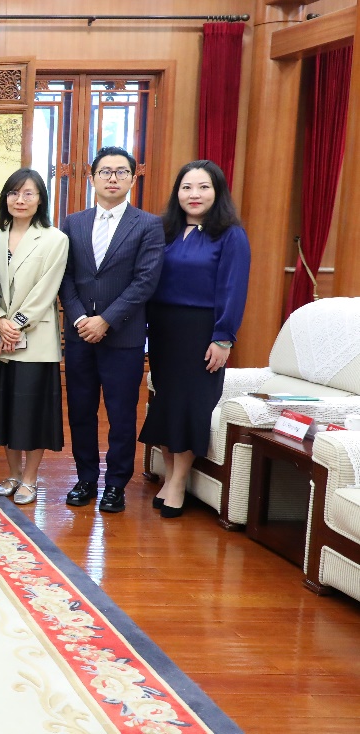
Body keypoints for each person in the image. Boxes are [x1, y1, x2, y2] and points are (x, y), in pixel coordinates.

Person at [139, 160, 249, 518]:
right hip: (163, 329)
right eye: (187, 187)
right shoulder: (164, 230)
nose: (194, 194)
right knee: (168, 404)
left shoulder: (230, 235)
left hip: (203, 331)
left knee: (191, 406)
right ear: (177, 193)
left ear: (217, 192)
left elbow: (233, 288)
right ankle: (171, 475)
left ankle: (178, 482)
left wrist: (223, 337)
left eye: (203, 187)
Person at [59, 146, 165, 514]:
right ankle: (86, 478)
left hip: (124, 336)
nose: (113, 178)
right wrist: (79, 319)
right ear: (92, 178)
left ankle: (116, 484)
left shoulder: (148, 224)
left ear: (133, 179)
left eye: (121, 172)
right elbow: (65, 276)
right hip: (79, 335)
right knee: (81, 411)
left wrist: (105, 320)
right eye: (105, 171)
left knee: (121, 415)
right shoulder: (73, 222)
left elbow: (145, 281)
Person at [0, 169, 69, 505]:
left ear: (40, 199)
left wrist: (15, 323)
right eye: (14, 193)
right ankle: (13, 474)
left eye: (29, 193)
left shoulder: (55, 239)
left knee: (32, 411)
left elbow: (47, 289)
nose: (20, 200)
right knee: (7, 410)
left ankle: (30, 479)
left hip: (35, 339)